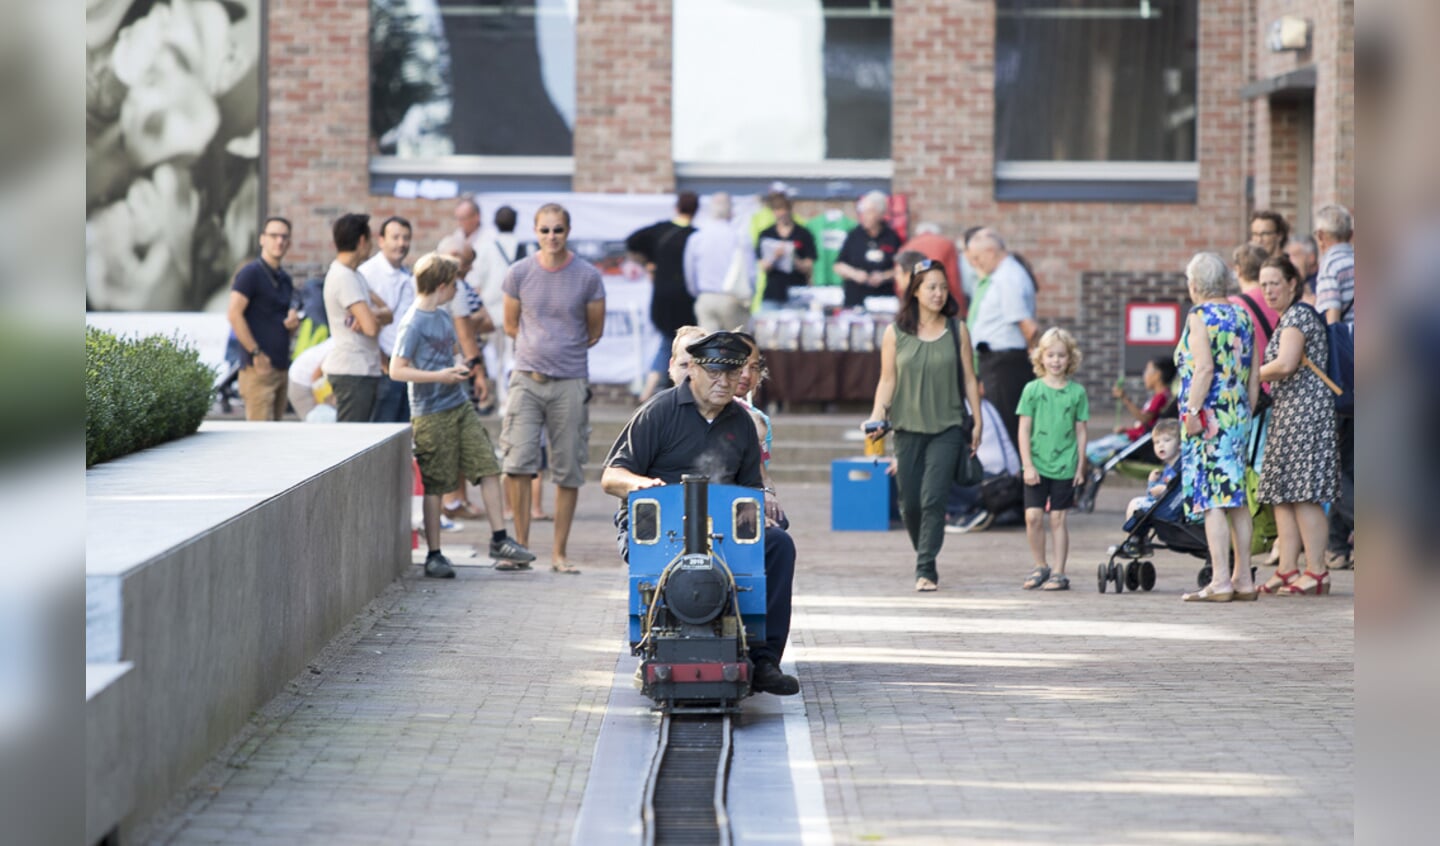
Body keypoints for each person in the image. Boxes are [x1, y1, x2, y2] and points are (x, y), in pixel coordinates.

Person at [601, 330, 800, 697]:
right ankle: (650, 643)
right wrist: (643, 486)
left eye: (731, 373)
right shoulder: (658, 412)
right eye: (714, 373)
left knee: (778, 545)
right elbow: (611, 476)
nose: (724, 383)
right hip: (660, 525)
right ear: (691, 369)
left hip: (721, 527)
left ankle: (764, 659)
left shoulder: (740, 423)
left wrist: (760, 515)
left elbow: (750, 487)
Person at [388, 253, 536, 579]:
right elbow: (397, 370)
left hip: (458, 404)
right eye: (455, 284)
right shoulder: (413, 322)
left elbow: (449, 354)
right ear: (442, 286)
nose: (458, 289)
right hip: (430, 413)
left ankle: (500, 539)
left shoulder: (442, 316)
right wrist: (440, 376)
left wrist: (461, 371)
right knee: (437, 483)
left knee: (487, 465)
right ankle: (434, 554)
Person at [863, 258, 980, 592]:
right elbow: (887, 380)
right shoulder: (895, 332)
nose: (938, 293)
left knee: (933, 499)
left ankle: (925, 566)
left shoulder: (958, 330)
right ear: (914, 291)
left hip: (947, 427)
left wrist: (978, 422)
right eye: (931, 287)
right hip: (907, 428)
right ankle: (924, 548)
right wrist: (876, 416)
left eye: (943, 287)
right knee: (910, 504)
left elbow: (970, 380)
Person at [500, 203, 606, 573]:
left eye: (558, 230)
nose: (551, 237)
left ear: (568, 231)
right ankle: (521, 549)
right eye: (545, 230)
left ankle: (559, 554)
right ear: (535, 231)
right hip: (527, 379)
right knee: (517, 462)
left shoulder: (588, 276)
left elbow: (595, 331)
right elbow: (510, 324)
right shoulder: (519, 273)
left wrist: (562, 350)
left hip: (570, 381)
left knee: (568, 469)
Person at [1174, 251, 1260, 602]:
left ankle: (1220, 580)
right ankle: (1244, 579)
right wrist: (1244, 412)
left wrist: (1193, 411)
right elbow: (1254, 374)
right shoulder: (1242, 314)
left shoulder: (1199, 316)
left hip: (1207, 420)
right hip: (1237, 416)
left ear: (1195, 285)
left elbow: (1204, 369)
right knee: (1237, 499)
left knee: (1213, 501)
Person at [1255, 255, 1341, 595]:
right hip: (1289, 414)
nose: (1268, 290)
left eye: (1275, 282)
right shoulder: (1288, 317)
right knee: (1283, 496)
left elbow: (1286, 364)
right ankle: (1287, 568)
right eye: (1263, 285)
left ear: (1293, 283)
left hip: (1305, 416)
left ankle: (1317, 570)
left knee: (1304, 495)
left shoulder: (1297, 316)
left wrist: (1248, 376)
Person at [1016, 328, 1089, 592]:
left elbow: (1081, 431)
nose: (1056, 360)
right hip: (1037, 464)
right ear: (1041, 358)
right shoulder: (1032, 390)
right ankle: (1040, 565)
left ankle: (1059, 571)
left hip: (1065, 465)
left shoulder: (1077, 392)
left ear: (1070, 359)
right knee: (1033, 517)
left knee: (1058, 519)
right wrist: (1027, 464)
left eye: (1061, 355)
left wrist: (1081, 465)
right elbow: (1024, 429)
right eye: (1051, 355)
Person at [964, 227, 1040, 446]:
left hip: (1005, 363)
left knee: (1007, 426)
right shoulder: (1004, 274)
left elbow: (1028, 326)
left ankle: (1017, 477)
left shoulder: (1008, 277)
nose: (976, 263)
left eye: (977, 258)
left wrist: (1036, 361)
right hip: (998, 361)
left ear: (990, 251)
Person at [1312, 204, 1355, 569]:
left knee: (1335, 461)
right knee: (1354, 459)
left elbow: (1332, 323)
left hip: (1345, 375)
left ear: (1321, 237)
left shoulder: (1330, 265)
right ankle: (1337, 547)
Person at [321, 213, 393, 422]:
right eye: (370, 239)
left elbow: (387, 312)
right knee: (351, 439)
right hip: (352, 370)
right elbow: (371, 328)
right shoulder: (344, 277)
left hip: (363, 368)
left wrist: (370, 316)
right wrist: (370, 318)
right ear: (362, 241)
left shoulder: (355, 274)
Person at [628, 192, 699, 402]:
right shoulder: (695, 236)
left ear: (677, 207)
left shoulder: (660, 230)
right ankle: (651, 391)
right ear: (696, 211)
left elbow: (632, 242)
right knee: (675, 343)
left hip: (661, 297)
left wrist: (648, 264)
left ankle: (652, 390)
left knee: (669, 342)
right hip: (685, 298)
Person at [226, 216, 299, 420]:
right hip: (257, 370)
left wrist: (292, 324)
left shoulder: (284, 279)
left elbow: (277, 321)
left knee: (275, 441)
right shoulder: (250, 274)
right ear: (262, 239)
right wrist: (256, 353)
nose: (279, 241)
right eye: (274, 235)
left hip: (281, 367)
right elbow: (233, 314)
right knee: (260, 441)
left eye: (284, 237)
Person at [359, 215, 415, 423]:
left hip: (405, 367)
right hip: (382, 367)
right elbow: (362, 322)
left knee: (403, 434)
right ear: (381, 240)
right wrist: (382, 359)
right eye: (396, 237)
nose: (401, 243)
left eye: (406, 238)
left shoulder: (407, 275)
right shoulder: (367, 273)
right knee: (382, 431)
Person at [472, 205, 527, 411]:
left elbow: (477, 280)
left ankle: (494, 398)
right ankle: (507, 401)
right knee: (510, 358)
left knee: (493, 357)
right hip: (515, 311)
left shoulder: (486, 246)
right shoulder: (522, 247)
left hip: (491, 313)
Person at [943, 396, 1022, 534]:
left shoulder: (963, 407)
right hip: (1007, 478)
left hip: (987, 480)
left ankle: (963, 513)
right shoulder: (988, 406)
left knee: (939, 473)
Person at [1085, 356, 1177, 469]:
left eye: (1147, 371)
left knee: (1089, 450)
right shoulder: (1162, 396)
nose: (1145, 375)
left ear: (1157, 375)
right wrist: (1127, 429)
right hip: (1133, 436)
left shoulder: (1161, 397)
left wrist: (1125, 399)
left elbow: (1145, 419)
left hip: (1134, 441)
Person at [684, 193, 755, 331]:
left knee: (708, 349)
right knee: (737, 347)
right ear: (731, 211)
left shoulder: (697, 237)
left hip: (705, 297)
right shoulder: (739, 237)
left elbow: (690, 273)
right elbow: (750, 272)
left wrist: (698, 293)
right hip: (733, 298)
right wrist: (750, 295)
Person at [833, 191, 901, 309]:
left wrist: (884, 276)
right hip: (855, 299)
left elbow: (901, 269)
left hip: (882, 301)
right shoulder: (854, 235)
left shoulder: (892, 237)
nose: (864, 216)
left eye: (869, 212)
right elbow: (838, 265)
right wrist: (855, 274)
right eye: (863, 212)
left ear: (880, 214)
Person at [754, 193, 816, 311]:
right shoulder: (766, 234)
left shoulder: (803, 233)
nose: (781, 214)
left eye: (783, 210)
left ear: (789, 210)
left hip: (797, 293)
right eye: (777, 210)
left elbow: (809, 265)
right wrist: (775, 256)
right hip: (773, 293)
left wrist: (793, 259)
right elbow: (763, 266)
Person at [898, 222, 965, 312]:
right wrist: (960, 308)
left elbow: (901, 282)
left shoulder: (907, 246)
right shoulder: (946, 244)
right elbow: (953, 278)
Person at [1229, 243, 1282, 354]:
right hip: (1279, 367)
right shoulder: (1280, 297)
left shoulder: (1231, 305)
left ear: (1238, 270)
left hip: (1254, 369)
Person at [1125, 419, 1181, 522]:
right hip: (1164, 505)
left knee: (1134, 504)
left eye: (1167, 440)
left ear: (1180, 444)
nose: (1161, 445)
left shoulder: (1181, 467)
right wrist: (1152, 482)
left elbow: (1180, 492)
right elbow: (1152, 494)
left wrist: (1165, 489)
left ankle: (1135, 537)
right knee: (1135, 504)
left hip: (1171, 509)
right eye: (1157, 442)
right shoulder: (1168, 468)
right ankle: (1137, 536)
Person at [1285, 234, 1320, 303]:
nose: (1290, 261)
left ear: (1311, 257)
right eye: (1288, 256)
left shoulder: (1323, 282)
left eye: (1295, 255)